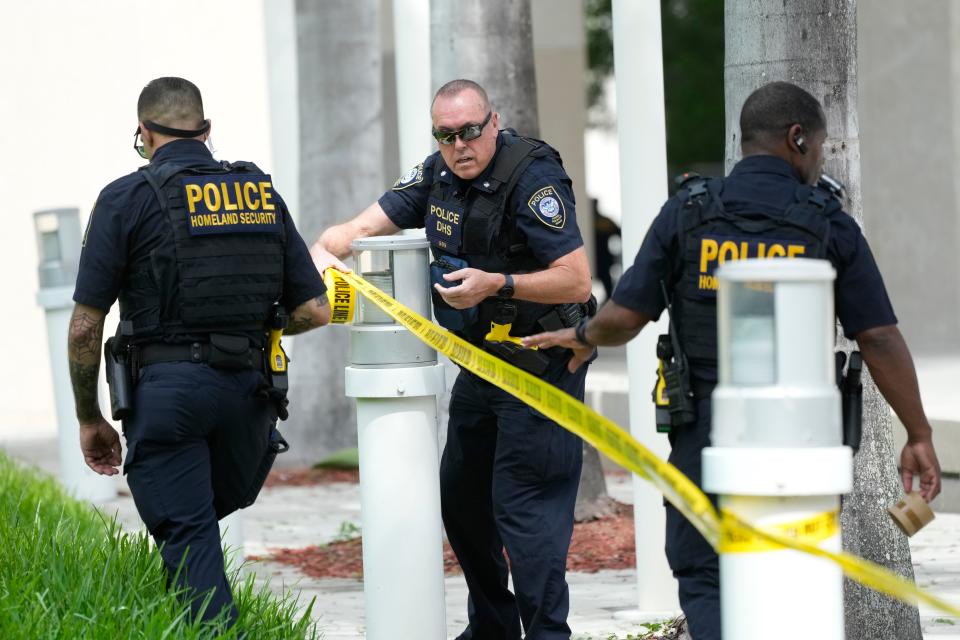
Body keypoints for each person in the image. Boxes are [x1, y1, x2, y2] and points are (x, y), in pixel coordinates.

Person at [523, 81, 942, 640]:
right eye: (817, 147)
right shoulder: (826, 222)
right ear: (797, 139)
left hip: (704, 436)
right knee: (793, 575)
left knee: (704, 573)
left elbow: (623, 318)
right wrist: (916, 432)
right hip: (796, 442)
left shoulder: (686, 214)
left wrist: (581, 334)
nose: (818, 160)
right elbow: (880, 338)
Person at [310, 79, 593, 639]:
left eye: (470, 131)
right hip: (480, 364)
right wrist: (325, 250)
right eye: (446, 135)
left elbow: (576, 280)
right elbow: (361, 227)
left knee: (525, 514)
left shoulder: (531, 176)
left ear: (493, 123)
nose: (460, 145)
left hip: (540, 363)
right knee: (462, 501)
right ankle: (493, 628)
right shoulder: (436, 174)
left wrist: (498, 284)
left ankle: (547, 635)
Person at [67, 77, 330, 625]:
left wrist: (90, 417)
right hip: (250, 397)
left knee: (189, 541)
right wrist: (256, 327)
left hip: (169, 400)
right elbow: (315, 311)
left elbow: (84, 329)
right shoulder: (259, 194)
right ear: (207, 132)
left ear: (143, 133)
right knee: (192, 533)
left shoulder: (126, 198)